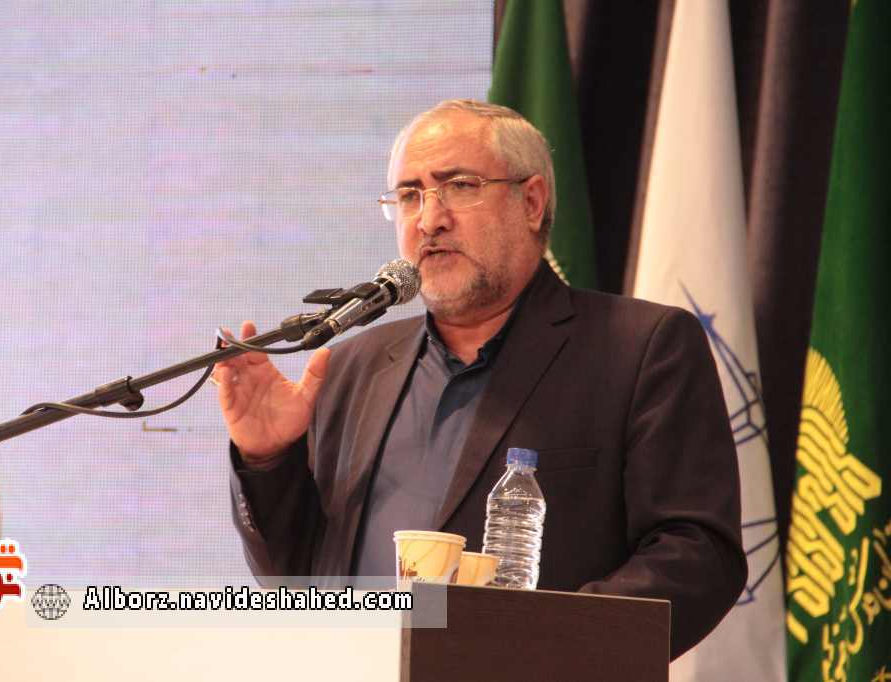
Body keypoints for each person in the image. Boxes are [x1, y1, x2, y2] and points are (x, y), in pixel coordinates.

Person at [213, 99, 747, 658]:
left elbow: (696, 557)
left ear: (532, 202)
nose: (429, 219)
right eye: (410, 195)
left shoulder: (640, 348)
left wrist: (531, 651)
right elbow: (297, 584)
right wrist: (267, 461)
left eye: (460, 186)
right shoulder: (350, 366)